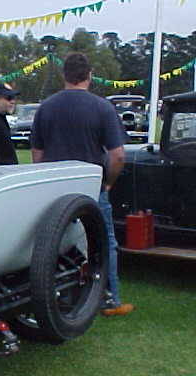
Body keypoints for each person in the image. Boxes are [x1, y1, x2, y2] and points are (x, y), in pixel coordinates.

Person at [30, 52, 134, 317]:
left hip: (54, 191)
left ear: (64, 76)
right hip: (91, 189)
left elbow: (37, 155)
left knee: (56, 245)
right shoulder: (102, 107)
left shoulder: (46, 107)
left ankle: (61, 295)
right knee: (104, 242)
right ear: (89, 75)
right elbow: (118, 154)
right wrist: (108, 183)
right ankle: (109, 298)